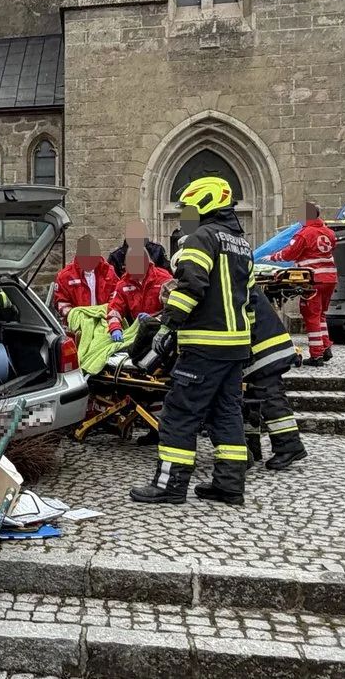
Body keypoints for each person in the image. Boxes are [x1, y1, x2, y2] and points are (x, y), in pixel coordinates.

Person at [130, 176, 254, 506]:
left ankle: (170, 485)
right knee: (226, 414)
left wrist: (168, 328)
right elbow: (249, 298)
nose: (186, 214)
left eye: (188, 208)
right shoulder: (242, 244)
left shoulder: (201, 238)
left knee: (179, 413)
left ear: (204, 203)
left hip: (204, 344)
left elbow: (190, 288)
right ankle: (229, 485)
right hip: (236, 346)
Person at [244, 286, 308, 471]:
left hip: (264, 350)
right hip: (263, 347)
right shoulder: (235, 273)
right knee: (252, 399)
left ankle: (289, 446)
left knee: (270, 398)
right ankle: (253, 446)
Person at [267, 203, 338, 366]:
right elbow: (330, 248)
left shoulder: (304, 234)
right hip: (330, 279)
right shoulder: (329, 233)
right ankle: (326, 347)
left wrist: (271, 257)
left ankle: (316, 356)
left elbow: (289, 254)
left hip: (313, 281)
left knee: (311, 314)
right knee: (320, 314)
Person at [107, 247, 174, 341]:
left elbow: (173, 310)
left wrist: (154, 320)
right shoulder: (124, 284)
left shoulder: (164, 279)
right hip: (139, 332)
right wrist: (115, 328)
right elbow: (114, 310)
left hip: (162, 331)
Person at [54, 235, 119, 322]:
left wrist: (107, 314)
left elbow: (116, 296)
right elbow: (62, 303)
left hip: (104, 321)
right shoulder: (65, 276)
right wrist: (79, 318)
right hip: (77, 325)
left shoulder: (108, 271)